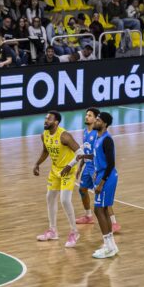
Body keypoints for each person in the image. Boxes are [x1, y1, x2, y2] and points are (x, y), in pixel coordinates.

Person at [33, 111, 83, 245]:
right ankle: (53, 231)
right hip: (55, 171)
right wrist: (37, 164)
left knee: (65, 200)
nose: (45, 121)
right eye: (45, 118)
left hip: (68, 171)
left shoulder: (64, 136)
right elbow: (45, 151)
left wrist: (70, 165)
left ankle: (74, 232)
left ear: (56, 122)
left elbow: (80, 153)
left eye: (49, 119)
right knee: (50, 197)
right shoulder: (44, 135)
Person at [88, 112, 119, 259]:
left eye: (98, 120)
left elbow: (111, 163)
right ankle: (111, 246)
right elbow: (98, 157)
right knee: (103, 210)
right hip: (101, 175)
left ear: (105, 124)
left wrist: (101, 182)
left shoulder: (107, 140)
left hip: (107, 178)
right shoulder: (98, 138)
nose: (95, 121)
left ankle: (108, 246)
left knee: (98, 210)